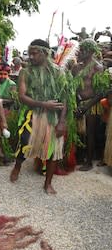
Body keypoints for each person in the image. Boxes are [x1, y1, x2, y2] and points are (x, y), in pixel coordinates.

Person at [9, 39, 70, 194]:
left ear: (45, 53)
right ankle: (17, 166)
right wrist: (44, 104)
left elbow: (65, 99)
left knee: (53, 149)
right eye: (30, 53)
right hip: (32, 114)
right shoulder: (25, 72)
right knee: (24, 141)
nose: (31, 57)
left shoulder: (58, 72)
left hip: (53, 117)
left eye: (34, 53)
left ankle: (48, 183)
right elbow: (22, 96)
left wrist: (62, 121)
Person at [72, 39, 105, 171]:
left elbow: (100, 91)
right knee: (79, 132)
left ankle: (89, 161)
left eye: (84, 49)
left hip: (91, 104)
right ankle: (79, 157)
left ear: (91, 51)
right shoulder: (76, 67)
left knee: (90, 133)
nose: (81, 52)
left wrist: (86, 106)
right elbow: (72, 87)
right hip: (78, 102)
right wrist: (75, 103)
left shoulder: (97, 67)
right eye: (81, 49)